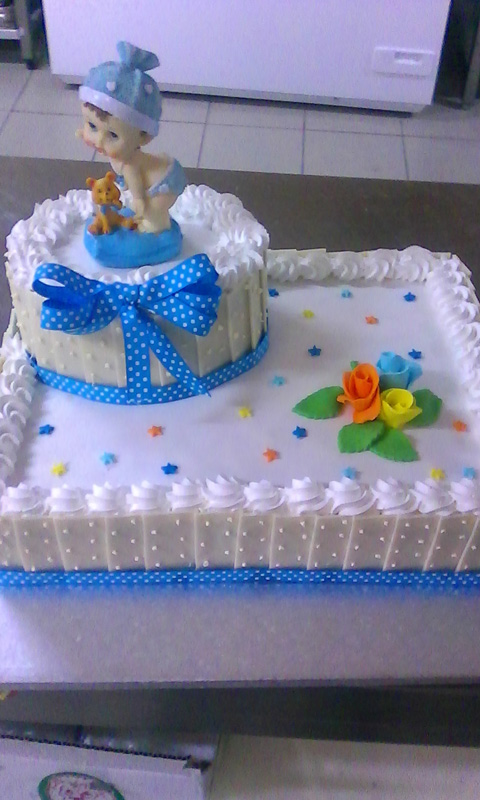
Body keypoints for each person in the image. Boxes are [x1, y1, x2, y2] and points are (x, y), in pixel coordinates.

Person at [77, 41, 186, 234]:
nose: (99, 141)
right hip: (164, 168)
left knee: (152, 213)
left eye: (113, 135)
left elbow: (136, 188)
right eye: (92, 126)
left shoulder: (128, 164)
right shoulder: (122, 156)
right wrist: (83, 133)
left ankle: (158, 231)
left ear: (143, 137)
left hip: (163, 184)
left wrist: (139, 201)